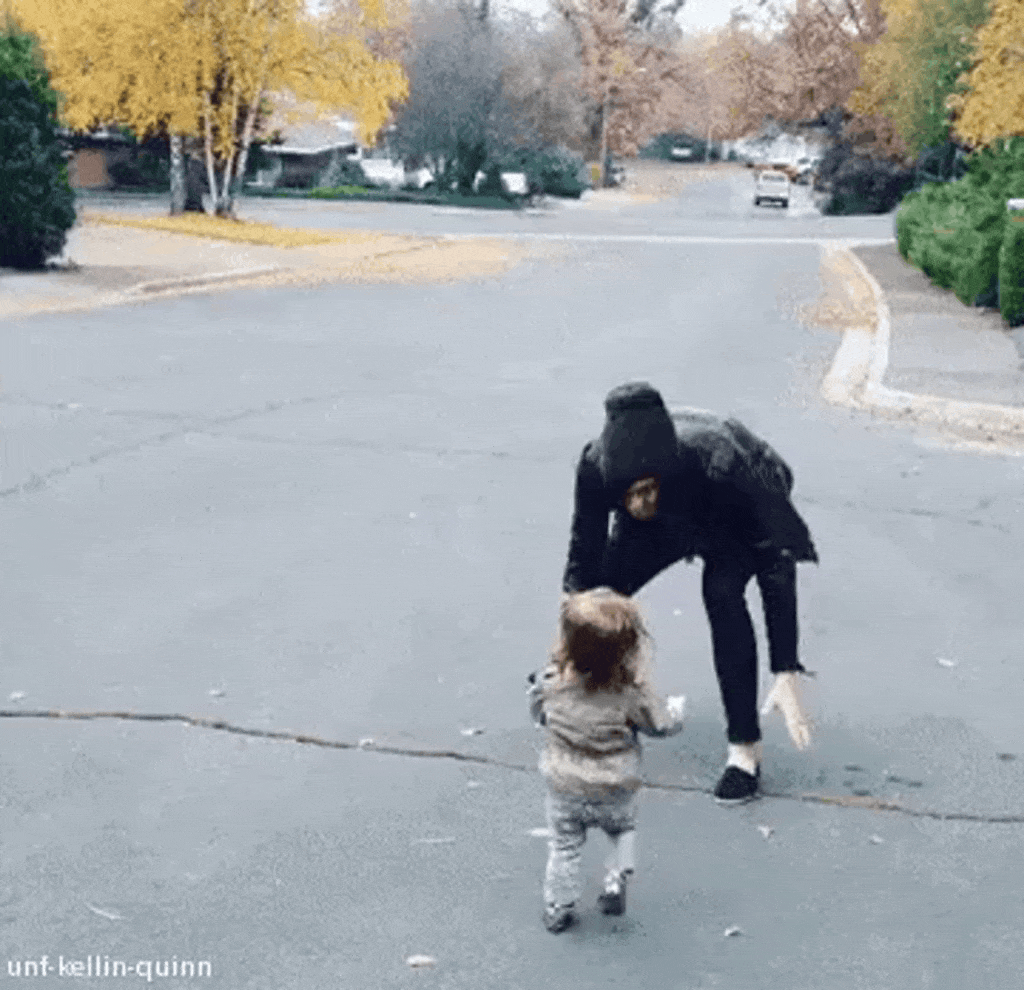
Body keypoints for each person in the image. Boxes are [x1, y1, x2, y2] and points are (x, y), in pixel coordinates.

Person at [562, 381, 818, 806]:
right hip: (666, 522)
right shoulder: (596, 467)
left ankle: (745, 752)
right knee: (603, 598)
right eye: (631, 494)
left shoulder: (723, 463)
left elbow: (777, 565)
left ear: (664, 475)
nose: (639, 501)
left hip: (732, 513)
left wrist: (785, 669)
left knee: (721, 593)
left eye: (647, 488)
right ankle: (616, 701)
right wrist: (572, 651)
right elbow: (583, 553)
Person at [527, 588, 685, 933]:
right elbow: (659, 726)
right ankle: (615, 879)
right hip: (615, 787)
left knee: (564, 847)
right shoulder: (630, 695)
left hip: (565, 787)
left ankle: (558, 906)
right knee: (621, 831)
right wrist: (676, 712)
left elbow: (540, 715)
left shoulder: (551, 684)